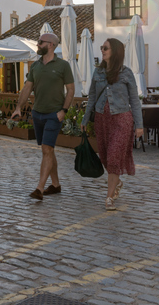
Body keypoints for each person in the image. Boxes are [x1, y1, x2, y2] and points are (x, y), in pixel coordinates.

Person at [81, 38, 144, 211]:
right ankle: (116, 181)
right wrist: (85, 119)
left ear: (115, 51)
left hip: (122, 119)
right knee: (106, 158)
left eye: (105, 48)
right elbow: (92, 97)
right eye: (102, 48)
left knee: (114, 156)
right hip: (102, 120)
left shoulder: (126, 73)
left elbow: (134, 101)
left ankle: (109, 197)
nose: (102, 50)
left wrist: (139, 125)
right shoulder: (98, 73)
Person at [11, 33, 74, 200]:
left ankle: (39, 188)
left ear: (51, 45)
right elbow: (27, 88)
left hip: (54, 114)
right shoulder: (35, 66)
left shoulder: (63, 66)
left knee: (47, 149)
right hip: (37, 113)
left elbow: (71, 89)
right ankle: (55, 184)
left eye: (40, 42)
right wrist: (18, 107)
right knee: (48, 150)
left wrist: (64, 110)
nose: (38, 45)